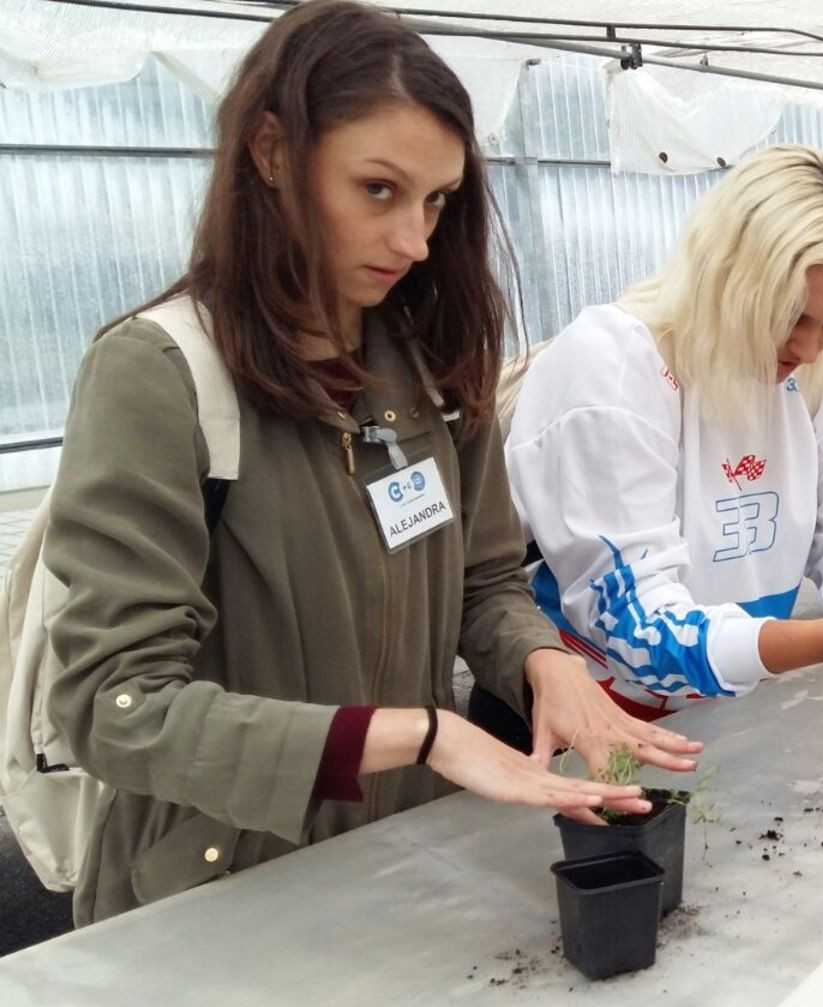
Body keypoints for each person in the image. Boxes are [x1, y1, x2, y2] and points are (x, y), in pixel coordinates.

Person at [41, 0, 697, 927]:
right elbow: (113, 704)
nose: (415, 241)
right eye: (378, 190)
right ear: (271, 154)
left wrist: (546, 666)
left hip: (398, 869)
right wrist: (419, 736)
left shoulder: (429, 366)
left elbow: (484, 582)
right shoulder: (160, 376)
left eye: (437, 200)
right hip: (213, 894)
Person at [505, 146, 823, 721]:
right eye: (790, 316)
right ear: (730, 280)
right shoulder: (617, 365)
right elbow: (636, 623)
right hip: (594, 717)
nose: (808, 348)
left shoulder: (814, 374)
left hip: (732, 710)